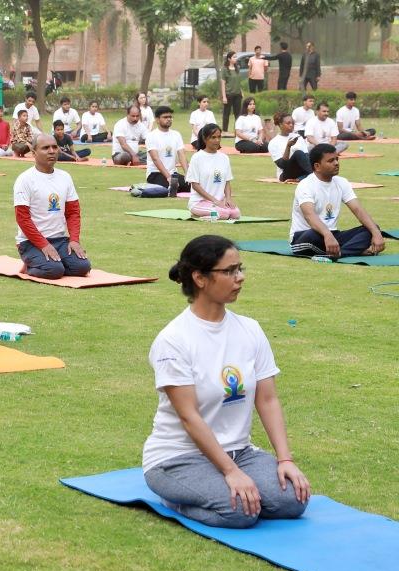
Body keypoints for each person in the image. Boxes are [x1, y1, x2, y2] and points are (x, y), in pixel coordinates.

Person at [142, 234, 310, 529]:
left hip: (239, 451)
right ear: (200, 278)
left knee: (293, 501)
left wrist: (285, 460)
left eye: (240, 269)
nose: (240, 278)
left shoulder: (250, 330)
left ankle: (222, 485)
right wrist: (230, 472)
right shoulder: (174, 340)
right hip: (178, 458)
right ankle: (175, 500)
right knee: (241, 512)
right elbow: (188, 416)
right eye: (230, 271)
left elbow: (267, 399)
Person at [13, 134, 90, 280]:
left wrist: (74, 240)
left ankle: (51, 262)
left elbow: (73, 212)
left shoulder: (65, 177)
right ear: (34, 153)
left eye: (55, 147)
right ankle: (30, 264)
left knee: (82, 267)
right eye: (45, 148)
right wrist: (43, 245)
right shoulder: (25, 180)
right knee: (53, 271)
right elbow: (22, 218)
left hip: (60, 240)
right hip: (31, 242)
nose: (52, 151)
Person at [289, 144, 387, 258]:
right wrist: (327, 235)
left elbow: (358, 210)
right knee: (313, 235)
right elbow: (309, 216)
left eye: (337, 159)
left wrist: (376, 233)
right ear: (317, 166)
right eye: (330, 161)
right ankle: (348, 250)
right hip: (306, 236)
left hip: (332, 235)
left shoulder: (342, 182)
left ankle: (340, 253)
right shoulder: (305, 185)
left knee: (371, 228)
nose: (336, 163)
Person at [186, 124, 240, 221]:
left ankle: (214, 213)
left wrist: (228, 199)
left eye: (219, 137)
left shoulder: (224, 158)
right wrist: (214, 200)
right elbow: (195, 185)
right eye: (213, 137)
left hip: (218, 202)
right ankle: (197, 215)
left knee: (235, 213)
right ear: (205, 139)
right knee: (223, 213)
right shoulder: (197, 158)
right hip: (199, 202)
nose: (217, 140)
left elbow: (227, 182)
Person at [145, 106, 189, 193]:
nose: (169, 119)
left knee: (192, 186)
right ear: (157, 120)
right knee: (165, 188)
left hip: (173, 173)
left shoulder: (176, 134)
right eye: (165, 117)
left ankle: (173, 186)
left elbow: (182, 155)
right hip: (155, 174)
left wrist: (188, 174)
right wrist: (168, 177)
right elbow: (155, 159)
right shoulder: (151, 136)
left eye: (170, 117)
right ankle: (171, 187)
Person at [267, 113, 311, 182]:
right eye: (288, 123)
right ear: (280, 125)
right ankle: (314, 175)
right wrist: (288, 146)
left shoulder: (298, 137)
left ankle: (300, 178)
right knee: (298, 153)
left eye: (293, 123)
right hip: (285, 174)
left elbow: (306, 158)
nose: (291, 125)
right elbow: (282, 165)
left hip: (301, 170)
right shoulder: (273, 142)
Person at [220, 51, 243, 133]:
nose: (235, 59)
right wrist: (224, 96)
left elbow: (238, 81)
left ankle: (237, 131)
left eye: (236, 57)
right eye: (234, 57)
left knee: (238, 114)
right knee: (226, 113)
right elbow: (223, 83)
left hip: (237, 94)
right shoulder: (224, 69)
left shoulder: (238, 68)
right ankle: (225, 130)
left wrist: (241, 91)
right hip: (228, 94)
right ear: (229, 59)